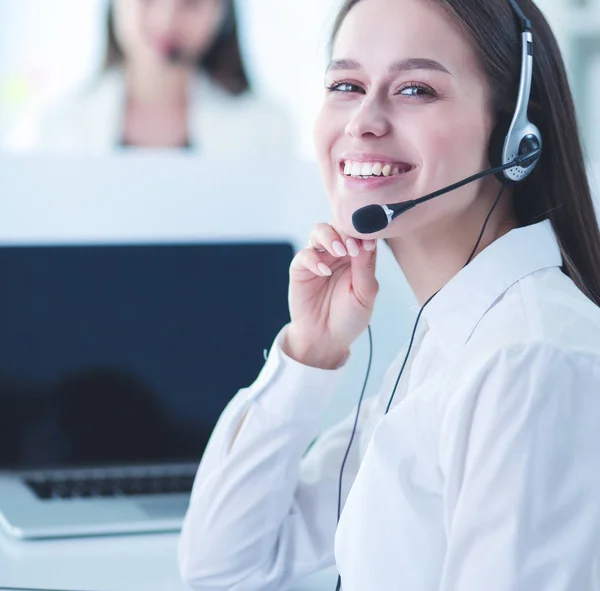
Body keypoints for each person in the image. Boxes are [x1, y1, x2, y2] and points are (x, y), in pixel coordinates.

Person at [178, 0, 600, 589]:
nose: (363, 122)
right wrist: (309, 352)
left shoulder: (526, 362)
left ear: (514, 133)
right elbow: (225, 562)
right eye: (346, 84)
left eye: (415, 89)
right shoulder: (448, 342)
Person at [5, 0, 290, 154]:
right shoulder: (57, 126)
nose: (166, 20)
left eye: (191, 3)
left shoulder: (266, 128)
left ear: (222, 13)